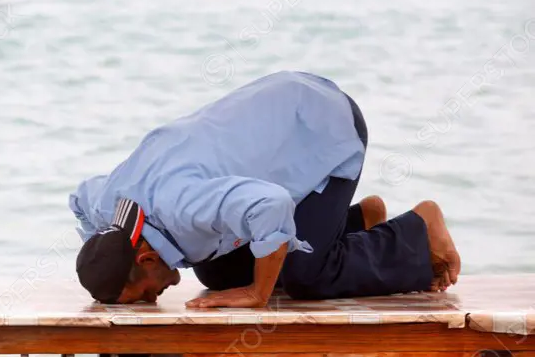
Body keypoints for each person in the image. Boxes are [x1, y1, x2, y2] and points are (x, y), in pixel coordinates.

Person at [72, 71, 461, 308]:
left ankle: (418, 229)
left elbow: (271, 204)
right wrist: (103, 247)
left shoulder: (183, 206)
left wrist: (258, 294)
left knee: (309, 277)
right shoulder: (111, 208)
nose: (152, 300)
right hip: (274, 125)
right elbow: (78, 197)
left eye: (143, 296)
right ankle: (356, 222)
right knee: (216, 273)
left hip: (320, 128)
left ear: (145, 260)